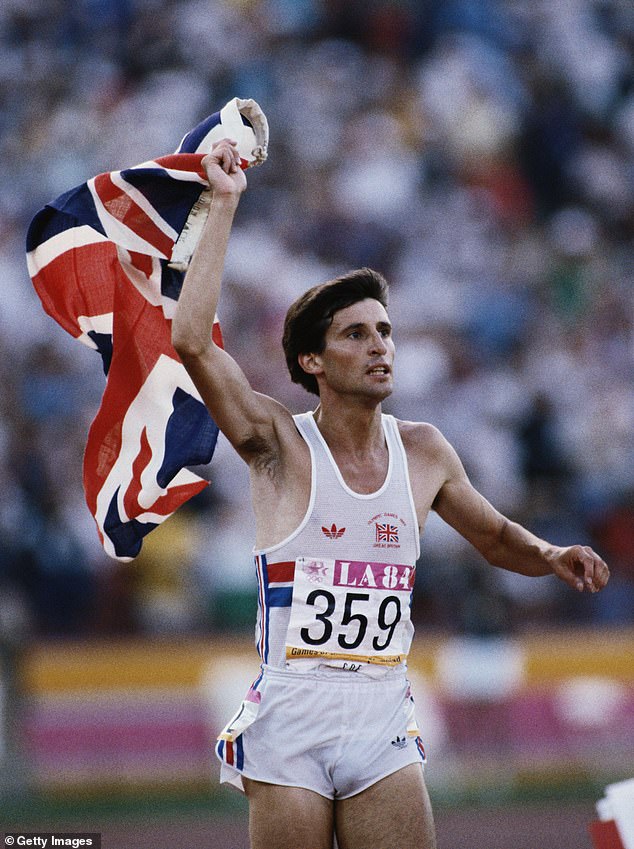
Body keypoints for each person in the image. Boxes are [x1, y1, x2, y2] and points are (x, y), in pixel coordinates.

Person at [171, 139, 610, 849]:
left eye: (385, 331)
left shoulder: (425, 449)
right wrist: (223, 202)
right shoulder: (278, 442)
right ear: (312, 361)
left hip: (382, 711)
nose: (381, 346)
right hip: (293, 712)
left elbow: (496, 537)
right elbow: (192, 340)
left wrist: (551, 552)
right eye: (355, 334)